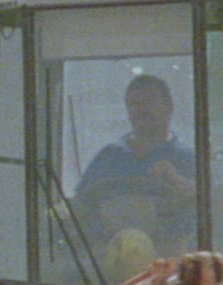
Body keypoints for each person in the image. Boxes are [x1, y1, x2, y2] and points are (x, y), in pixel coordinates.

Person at [74, 73, 197, 203]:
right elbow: (78, 206)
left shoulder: (187, 159)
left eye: (149, 103)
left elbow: (203, 202)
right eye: (134, 104)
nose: (142, 110)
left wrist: (175, 180)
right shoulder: (107, 157)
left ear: (169, 106)